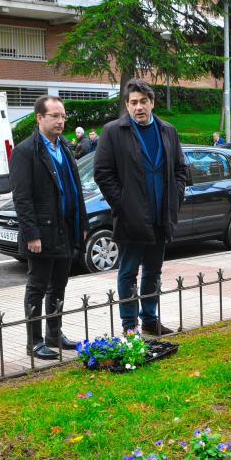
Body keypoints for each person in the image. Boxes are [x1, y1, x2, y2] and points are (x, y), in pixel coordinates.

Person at [94, 78, 187, 335]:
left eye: (143, 101)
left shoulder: (167, 130)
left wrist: (175, 198)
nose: (138, 107)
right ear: (127, 105)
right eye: (133, 102)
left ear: (152, 103)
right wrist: (123, 204)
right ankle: (129, 325)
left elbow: (180, 169)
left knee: (153, 271)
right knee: (128, 272)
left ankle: (149, 319)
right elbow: (102, 173)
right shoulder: (114, 131)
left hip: (161, 216)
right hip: (130, 218)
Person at [10, 96, 88, 360]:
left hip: (65, 229)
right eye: (54, 116)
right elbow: (22, 197)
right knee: (37, 286)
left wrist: (83, 225)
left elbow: (75, 189)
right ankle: (34, 342)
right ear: (39, 118)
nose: (60, 121)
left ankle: (55, 333)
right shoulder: (25, 151)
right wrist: (31, 233)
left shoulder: (64, 146)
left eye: (63, 116)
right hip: (42, 233)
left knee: (59, 285)